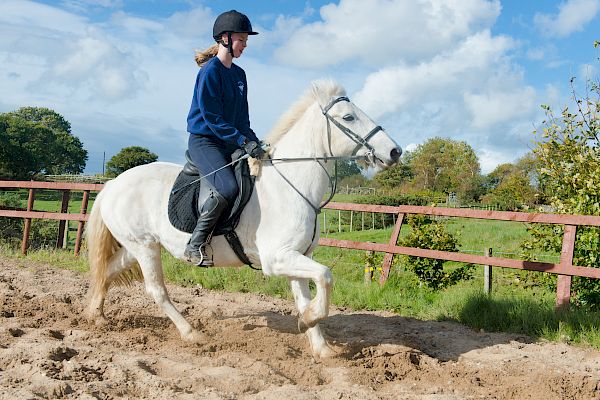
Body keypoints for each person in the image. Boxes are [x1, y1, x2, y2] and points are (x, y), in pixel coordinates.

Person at [184, 10, 265, 266]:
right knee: (227, 188)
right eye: (242, 40)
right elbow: (212, 118)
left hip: (230, 141)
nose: (245, 45)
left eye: (246, 41)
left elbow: (242, 119)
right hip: (205, 141)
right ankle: (195, 244)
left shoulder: (240, 75)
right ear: (225, 38)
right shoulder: (210, 72)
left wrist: (254, 141)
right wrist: (242, 141)